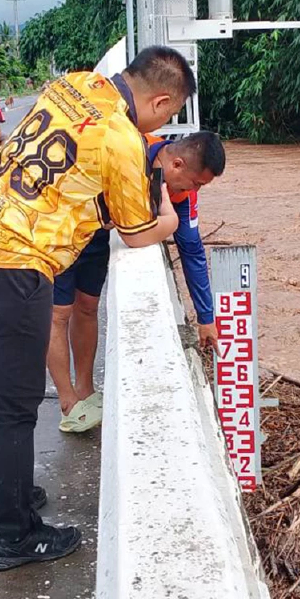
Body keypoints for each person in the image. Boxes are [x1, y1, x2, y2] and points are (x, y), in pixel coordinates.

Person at [0, 45, 195, 571]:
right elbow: (138, 232)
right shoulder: (122, 137)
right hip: (9, 266)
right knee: (14, 408)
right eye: (168, 116)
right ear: (161, 101)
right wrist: (170, 218)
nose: (162, 126)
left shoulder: (73, 85)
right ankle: (13, 536)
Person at [48, 131, 226, 433]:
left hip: (98, 233)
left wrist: (206, 317)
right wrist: (168, 219)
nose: (195, 190)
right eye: (196, 183)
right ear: (177, 165)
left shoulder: (181, 192)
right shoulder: (130, 150)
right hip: (64, 225)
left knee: (87, 306)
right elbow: (133, 233)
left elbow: (191, 249)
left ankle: (85, 390)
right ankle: (68, 402)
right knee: (58, 313)